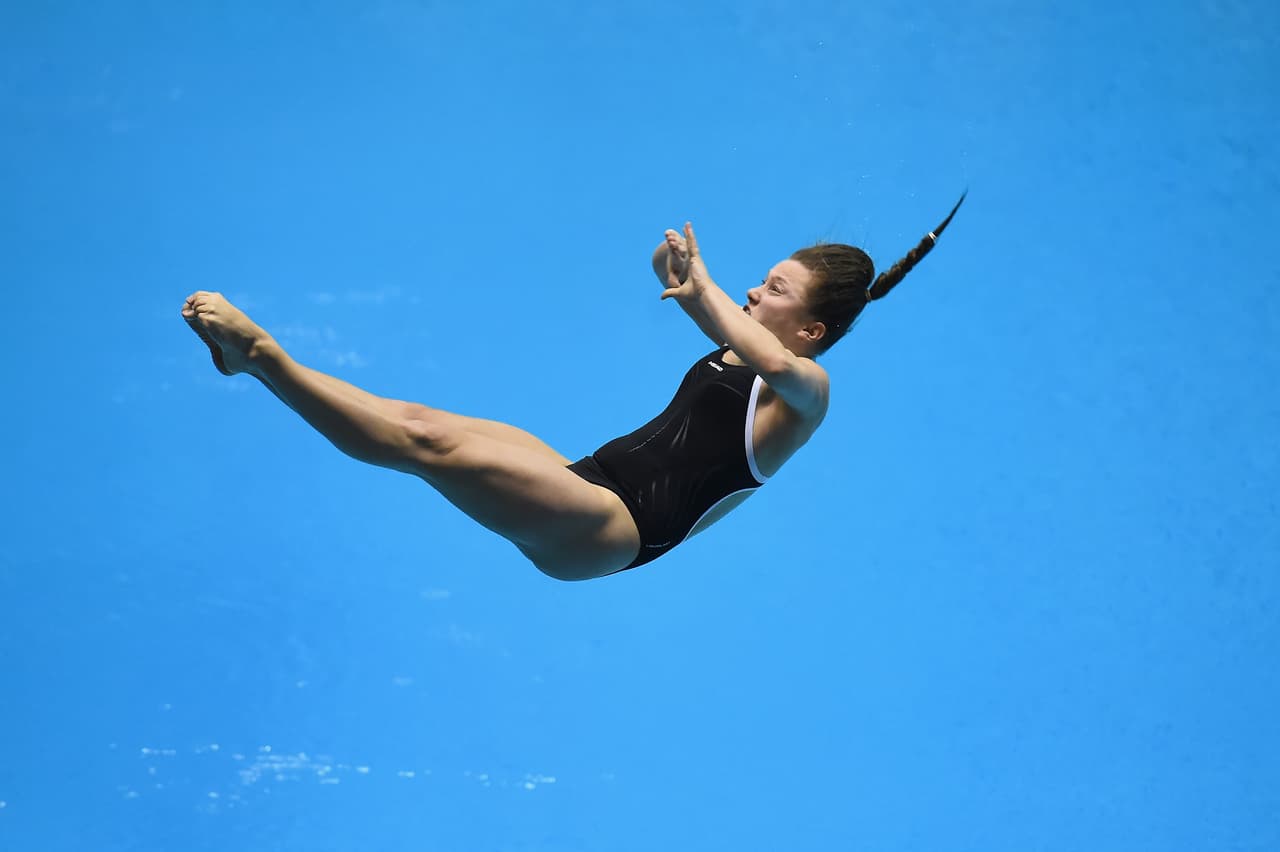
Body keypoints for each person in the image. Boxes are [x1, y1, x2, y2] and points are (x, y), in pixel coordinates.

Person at [182, 197, 964, 581]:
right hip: (582, 475)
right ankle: (240, 362)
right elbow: (715, 318)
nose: (758, 293)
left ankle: (260, 358)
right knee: (417, 417)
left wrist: (704, 288)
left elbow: (741, 334)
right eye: (760, 280)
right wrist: (684, 283)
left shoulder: (807, 391)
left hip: (613, 529)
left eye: (776, 287)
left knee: (428, 448)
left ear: (813, 330)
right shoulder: (745, 345)